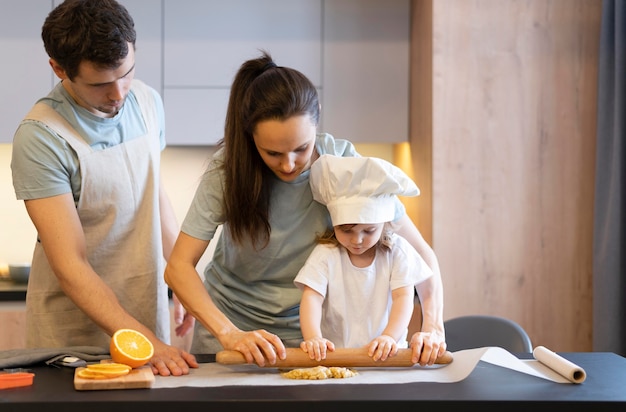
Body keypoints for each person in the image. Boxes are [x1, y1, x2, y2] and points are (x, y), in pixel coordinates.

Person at [164, 50, 447, 367]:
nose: (288, 165)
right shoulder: (228, 171)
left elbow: (421, 254)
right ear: (250, 135)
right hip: (233, 333)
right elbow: (178, 267)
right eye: (272, 153)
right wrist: (229, 333)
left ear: (317, 119)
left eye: (301, 149)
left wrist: (433, 327)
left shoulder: (344, 165)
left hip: (315, 339)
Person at [10, 0, 197, 376]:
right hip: (71, 332)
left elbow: (155, 199)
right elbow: (70, 265)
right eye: (100, 84)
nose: (118, 94)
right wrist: (146, 339)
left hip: (145, 309)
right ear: (59, 69)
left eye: (126, 73)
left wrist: (184, 278)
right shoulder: (41, 136)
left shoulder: (146, 102)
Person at [294, 154, 434, 362]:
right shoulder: (326, 255)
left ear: (384, 223)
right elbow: (312, 298)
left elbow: (402, 298)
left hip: (388, 356)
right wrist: (314, 338)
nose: (357, 240)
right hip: (337, 357)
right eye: (346, 230)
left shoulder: (397, 252)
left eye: (368, 231)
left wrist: (389, 337)